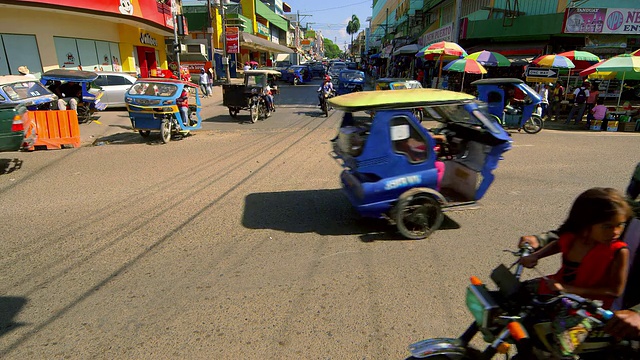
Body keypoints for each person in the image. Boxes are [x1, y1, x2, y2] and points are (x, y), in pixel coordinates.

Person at [519, 187, 632, 309]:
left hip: (586, 308)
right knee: (512, 296)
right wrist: (536, 255)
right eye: (607, 227)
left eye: (620, 225)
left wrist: (569, 289)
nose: (615, 232)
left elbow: (615, 291)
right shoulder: (574, 237)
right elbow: (559, 244)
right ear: (586, 223)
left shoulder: (618, 251)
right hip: (555, 289)